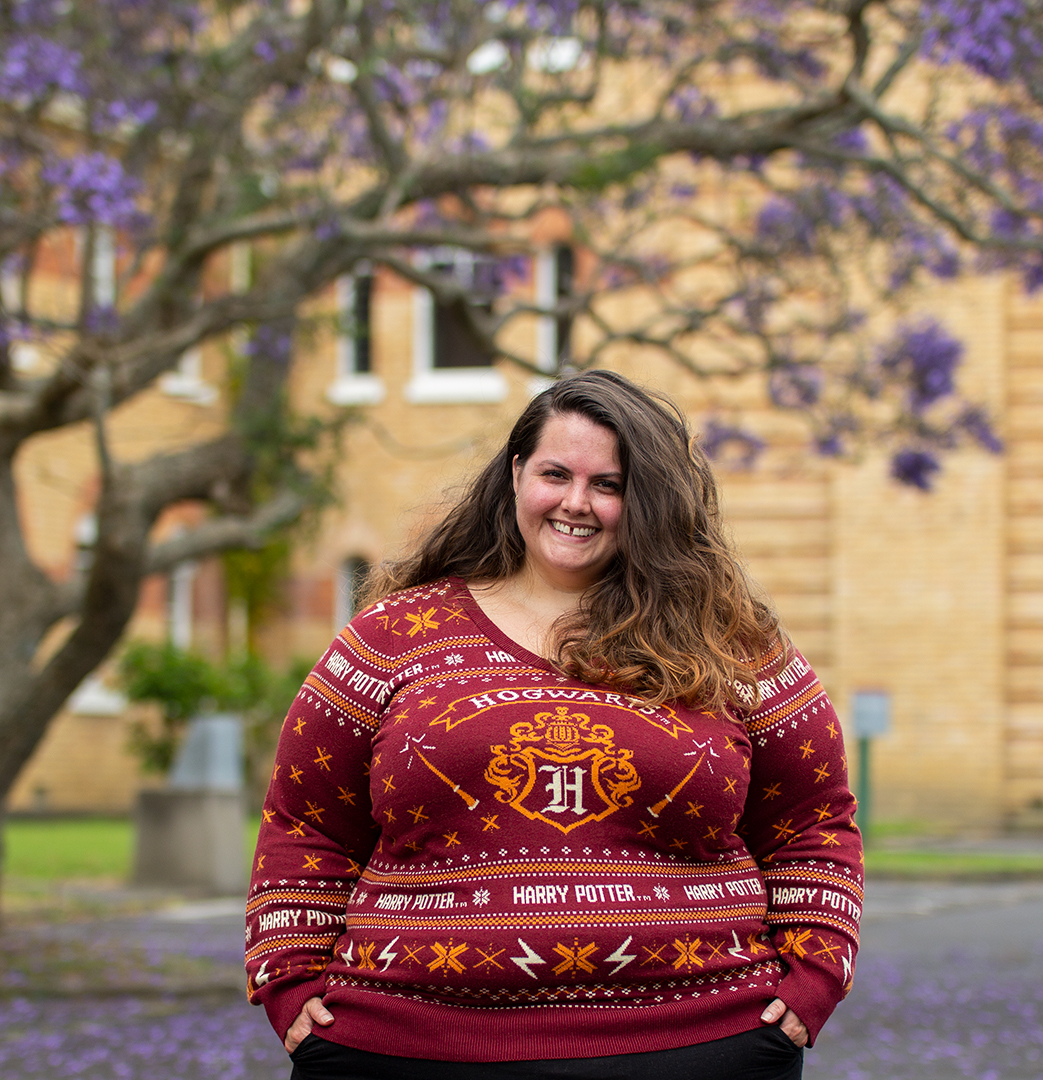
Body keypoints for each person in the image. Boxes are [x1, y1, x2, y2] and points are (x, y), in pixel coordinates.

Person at [246, 370, 862, 1080]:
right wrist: (288, 978)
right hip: (410, 1046)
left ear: (650, 502)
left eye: (609, 484)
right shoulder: (393, 636)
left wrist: (816, 972)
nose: (577, 503)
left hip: (695, 1046)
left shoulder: (730, 644)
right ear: (515, 475)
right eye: (555, 474)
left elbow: (812, 819)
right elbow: (306, 819)